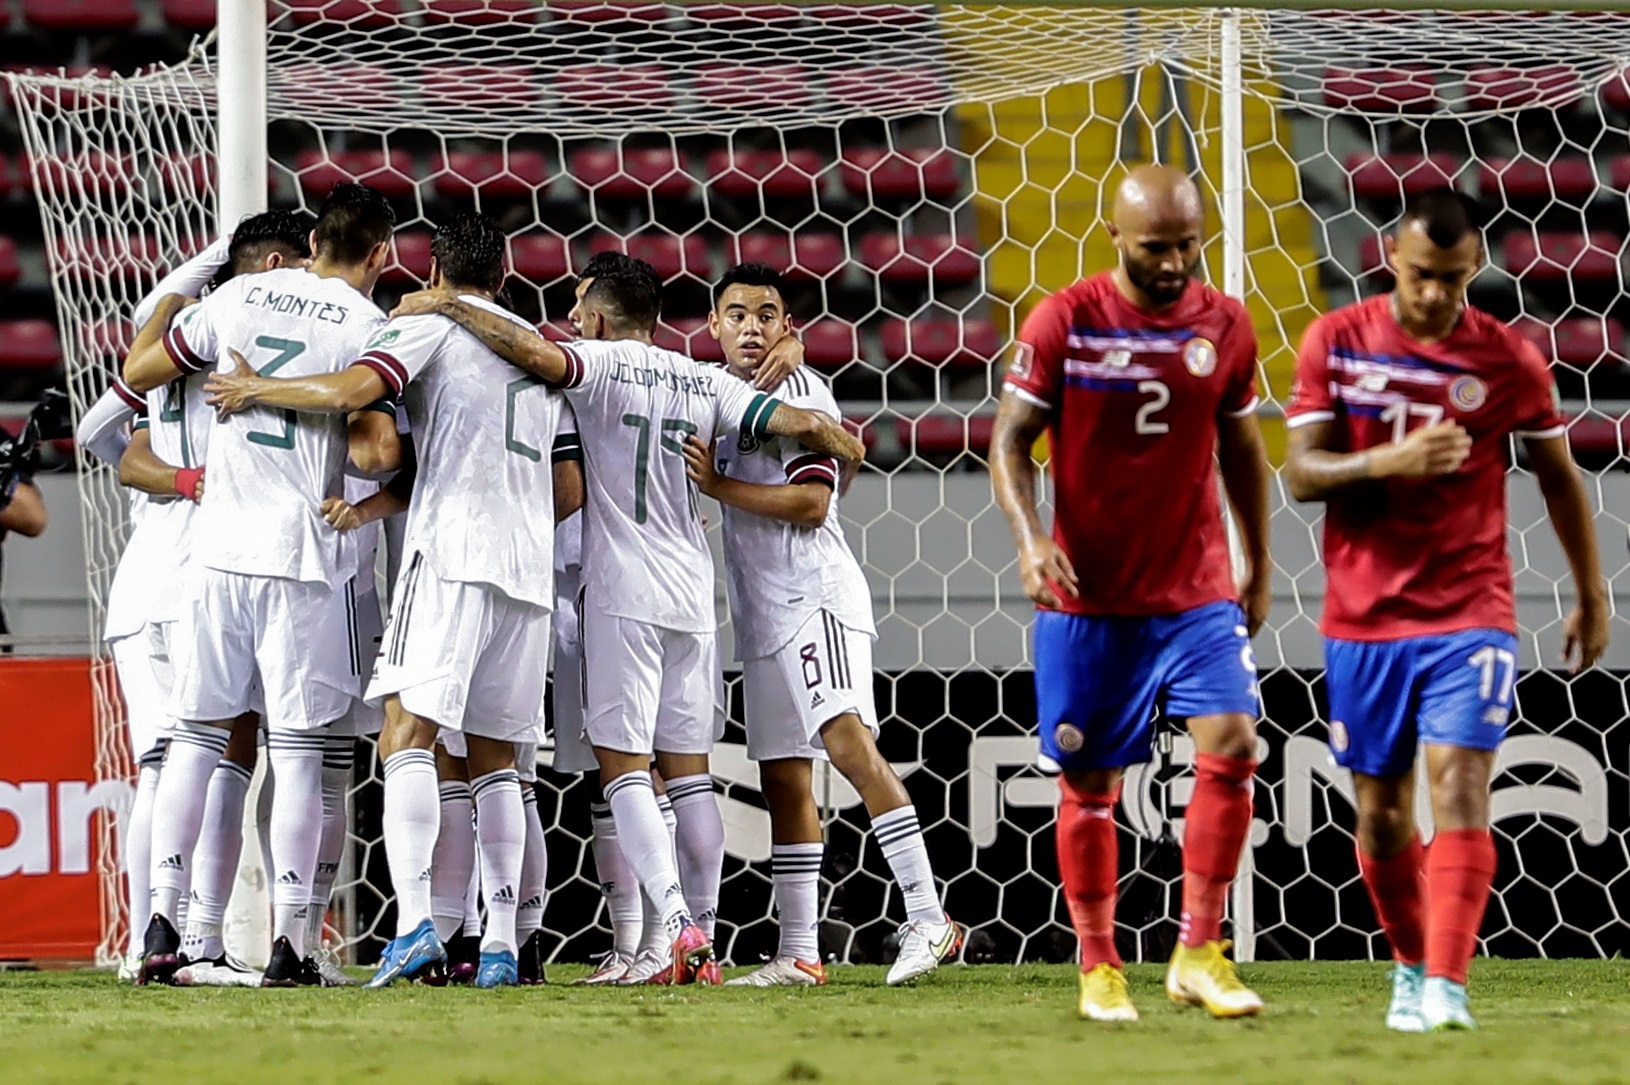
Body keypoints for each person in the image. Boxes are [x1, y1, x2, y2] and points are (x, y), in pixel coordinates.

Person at [391, 258, 866, 985]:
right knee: (690, 774)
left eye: (582, 309)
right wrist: (845, 442)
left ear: (604, 320)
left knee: (622, 770)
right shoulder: (706, 379)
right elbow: (796, 419)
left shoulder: (601, 364)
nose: (575, 320)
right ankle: (696, 938)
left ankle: (673, 928)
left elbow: (531, 353)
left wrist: (450, 305)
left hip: (623, 592)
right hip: (693, 597)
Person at [205, 211, 584, 989]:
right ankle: (505, 944)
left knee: (404, 736)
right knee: (495, 759)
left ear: (435, 272)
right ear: (505, 277)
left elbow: (353, 389)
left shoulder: (428, 326)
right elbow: (568, 490)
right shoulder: (541, 351)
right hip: (527, 569)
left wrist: (254, 386)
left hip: (449, 555)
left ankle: (415, 925)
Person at [1282, 187, 1608, 1033]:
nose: (1436, 296)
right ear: (1393, 257)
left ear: (1474, 270)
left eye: (1455, 280)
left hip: (1471, 607)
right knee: (1383, 816)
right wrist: (1389, 460)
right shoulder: (1337, 342)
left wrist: (1591, 589)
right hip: (1364, 619)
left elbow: (1559, 475)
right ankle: (1410, 964)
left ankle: (1448, 987)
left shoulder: (1507, 359)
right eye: (1423, 275)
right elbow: (1301, 473)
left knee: (1461, 785)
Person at [990, 164, 1272, 1022]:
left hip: (1192, 592)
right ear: (1116, 237)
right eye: (1157, 246)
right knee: (1090, 784)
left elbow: (1245, 450)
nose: (1176, 261)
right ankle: (1100, 964)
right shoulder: (1065, 321)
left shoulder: (1225, 324)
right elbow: (1008, 445)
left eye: (1189, 243)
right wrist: (1031, 540)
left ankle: (1198, 949)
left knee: (1234, 742)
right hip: (1088, 598)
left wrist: (1256, 558)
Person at [122, 182, 398, 987]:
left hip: (214, 555)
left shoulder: (239, 294)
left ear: (313, 240)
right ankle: (293, 945)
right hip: (301, 557)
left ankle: (163, 928)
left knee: (197, 741)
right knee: (302, 754)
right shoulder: (366, 325)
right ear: (379, 253)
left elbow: (141, 368)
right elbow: (378, 452)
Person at [681, 262, 958, 987]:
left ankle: (930, 918)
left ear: (787, 328)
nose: (750, 326)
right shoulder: (723, 397)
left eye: (766, 314)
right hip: (760, 613)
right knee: (782, 777)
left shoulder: (802, 390)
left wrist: (717, 486)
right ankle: (800, 951)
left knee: (849, 747)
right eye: (735, 313)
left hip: (815, 598)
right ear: (712, 327)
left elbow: (812, 505)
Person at [86, 210, 318, 987]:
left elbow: (100, 431)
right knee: (218, 755)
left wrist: (204, 261)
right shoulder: (238, 351)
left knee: (171, 758)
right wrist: (194, 481)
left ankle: (152, 937)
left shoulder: (170, 347)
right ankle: (194, 937)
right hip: (210, 571)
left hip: (144, 579)